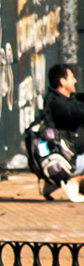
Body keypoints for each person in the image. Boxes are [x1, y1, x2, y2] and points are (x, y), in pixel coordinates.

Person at [41, 63, 84, 201]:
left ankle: (54, 182)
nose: (75, 81)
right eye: (72, 77)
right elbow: (77, 109)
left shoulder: (60, 99)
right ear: (62, 81)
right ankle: (72, 180)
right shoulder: (58, 104)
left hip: (63, 156)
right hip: (65, 159)